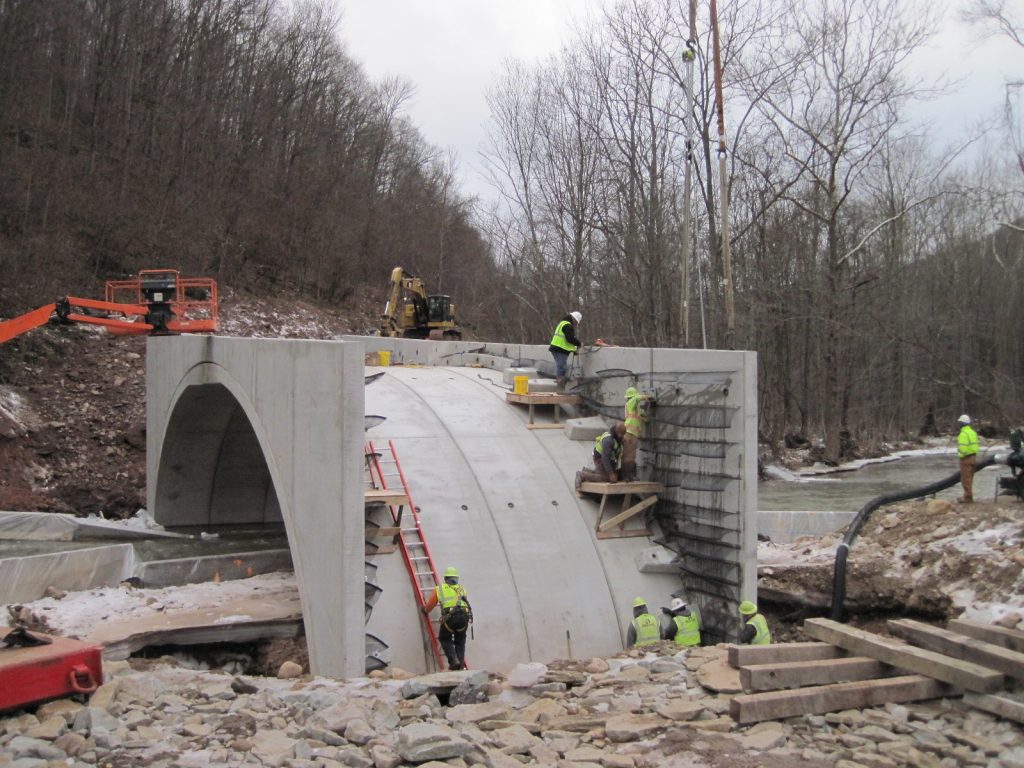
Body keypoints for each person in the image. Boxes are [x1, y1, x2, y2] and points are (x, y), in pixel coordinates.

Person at [422, 566, 473, 670]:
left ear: (446, 579)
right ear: (457, 579)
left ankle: (454, 660)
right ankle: (460, 665)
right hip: (464, 617)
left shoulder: (440, 589)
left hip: (450, 617)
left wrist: (425, 610)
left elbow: (430, 605)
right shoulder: (462, 589)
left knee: (444, 638)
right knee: (460, 641)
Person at [575, 422, 626, 490]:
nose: (622, 436)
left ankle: (588, 471)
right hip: (600, 458)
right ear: (617, 432)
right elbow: (605, 459)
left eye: (623, 434)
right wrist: (611, 473)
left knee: (615, 477)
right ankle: (581, 475)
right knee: (605, 478)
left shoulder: (617, 437)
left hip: (609, 459)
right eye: (621, 434)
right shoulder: (609, 440)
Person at [621, 386, 651, 482]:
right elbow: (636, 398)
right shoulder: (630, 403)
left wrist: (645, 414)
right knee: (627, 455)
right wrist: (647, 396)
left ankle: (629, 476)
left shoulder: (636, 410)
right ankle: (625, 476)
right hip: (629, 432)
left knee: (632, 455)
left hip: (634, 434)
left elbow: (646, 419)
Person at [548, 311, 582, 389]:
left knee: (560, 367)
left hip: (556, 348)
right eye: (576, 322)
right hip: (560, 350)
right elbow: (569, 339)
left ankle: (560, 384)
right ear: (574, 319)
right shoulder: (568, 326)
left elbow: (565, 340)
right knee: (561, 367)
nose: (576, 324)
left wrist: (573, 349)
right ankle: (560, 387)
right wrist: (578, 344)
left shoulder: (562, 323)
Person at [957, 414, 979, 503]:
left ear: (962, 423)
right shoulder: (973, 432)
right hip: (973, 457)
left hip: (966, 458)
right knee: (970, 478)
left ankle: (967, 497)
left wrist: (961, 456)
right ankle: (968, 496)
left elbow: (963, 448)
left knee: (965, 479)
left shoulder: (963, 434)